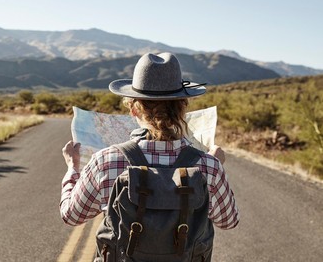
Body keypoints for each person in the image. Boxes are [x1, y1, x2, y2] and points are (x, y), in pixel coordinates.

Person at [60, 52, 239, 232]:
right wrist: (216, 166)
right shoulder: (209, 166)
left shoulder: (105, 161)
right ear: (183, 108)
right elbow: (228, 221)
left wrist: (72, 167)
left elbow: (71, 215)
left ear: (134, 109)